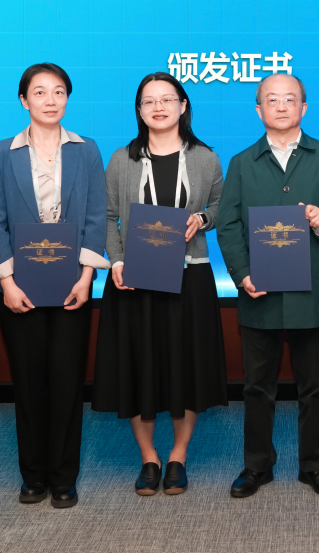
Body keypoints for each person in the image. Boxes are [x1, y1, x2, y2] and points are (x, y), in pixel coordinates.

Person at [216, 73, 319, 499]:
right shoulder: (241, 162)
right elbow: (227, 224)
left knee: (313, 386)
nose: (281, 106)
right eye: (272, 99)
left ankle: (315, 466)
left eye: (290, 99)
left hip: (308, 293)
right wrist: (242, 274)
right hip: (258, 293)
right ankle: (256, 465)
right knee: (256, 387)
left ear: (304, 108)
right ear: (258, 109)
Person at [93, 72, 228, 497]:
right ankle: (149, 457)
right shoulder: (122, 160)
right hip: (135, 278)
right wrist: (116, 261)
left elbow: (222, 206)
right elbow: (108, 216)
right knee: (140, 367)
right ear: (139, 110)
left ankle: (178, 456)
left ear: (183, 106)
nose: (158, 107)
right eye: (149, 101)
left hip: (190, 275)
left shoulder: (206, 158)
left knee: (186, 366)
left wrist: (201, 218)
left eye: (167, 99)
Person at [0, 63, 108, 509]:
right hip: (20, 287)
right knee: (29, 382)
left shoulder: (86, 150)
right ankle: (33, 476)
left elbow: (96, 217)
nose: (50, 100)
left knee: (67, 382)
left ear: (67, 99)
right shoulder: (2, 152)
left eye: (58, 91)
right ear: (24, 100)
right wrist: (7, 283)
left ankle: (64, 476)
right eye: (39, 92)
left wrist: (87, 277)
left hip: (73, 284)